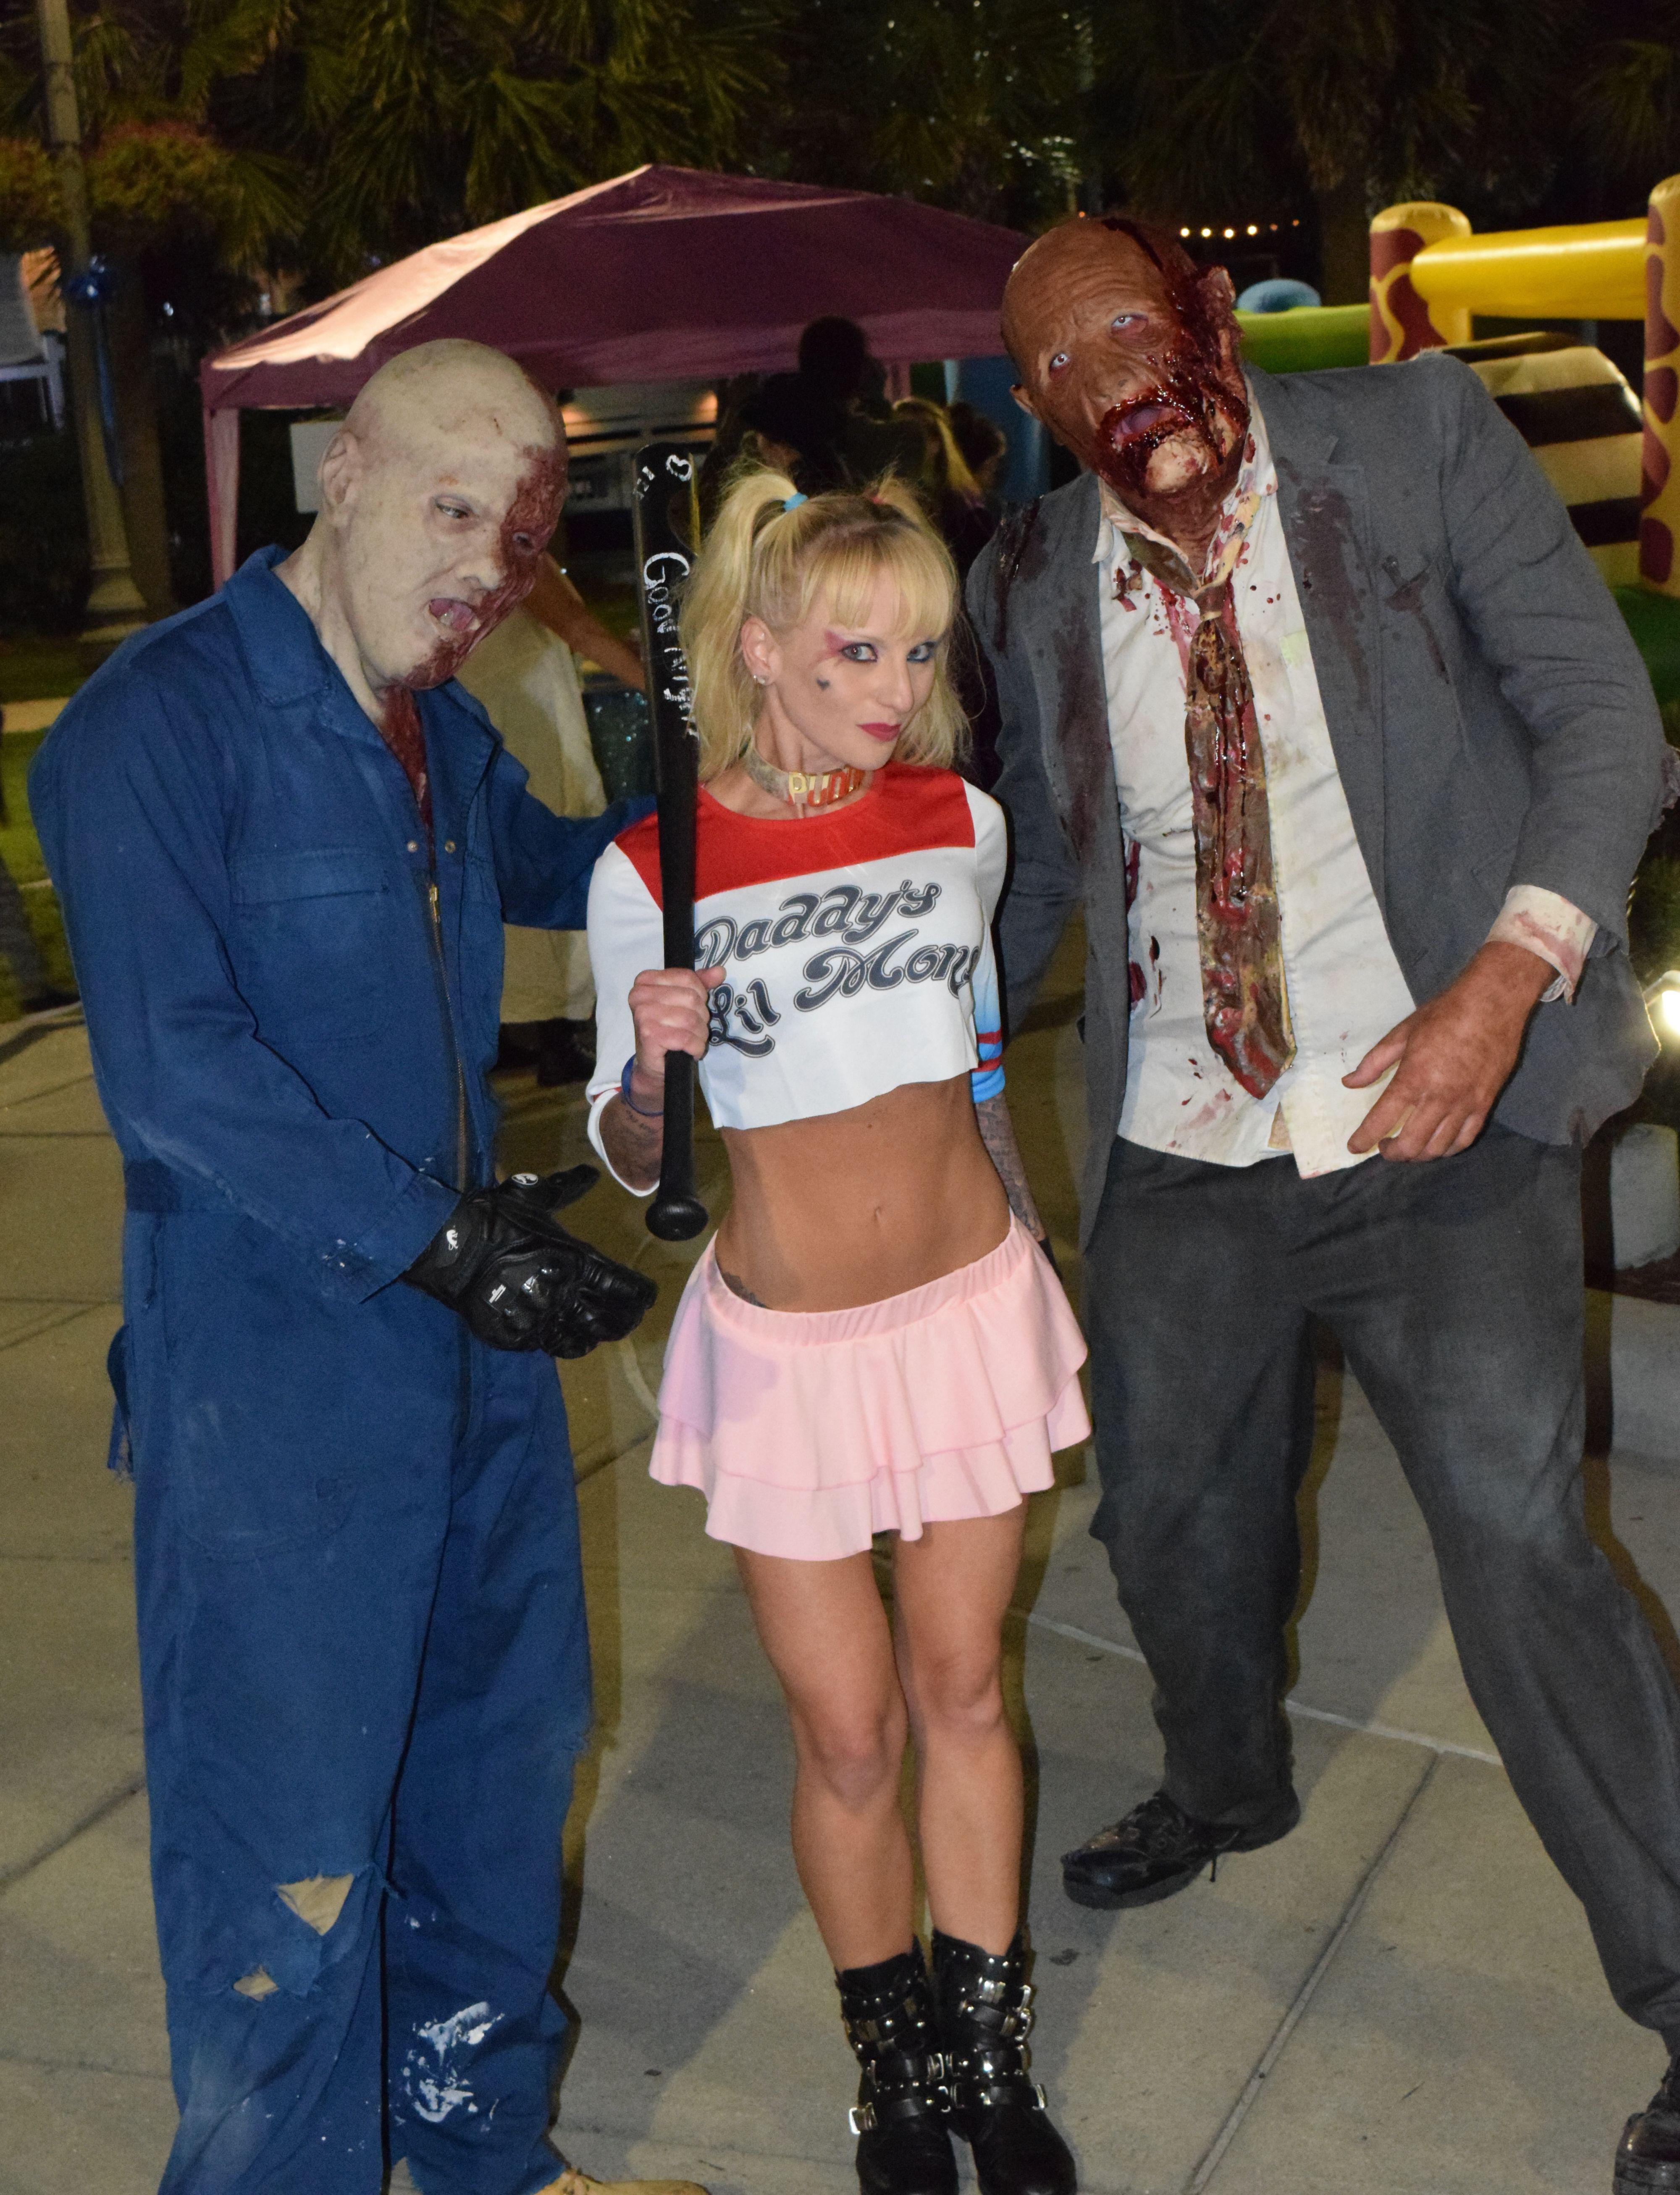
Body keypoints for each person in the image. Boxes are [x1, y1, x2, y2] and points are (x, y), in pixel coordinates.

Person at [967, 213, 1680, 2192]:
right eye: (1060, 362)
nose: (1112, 375)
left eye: (1129, 322)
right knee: (1166, 1518)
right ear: (1031, 404)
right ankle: (1225, 1783)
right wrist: (894, 1041)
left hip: (1435, 1110)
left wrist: (1500, 983)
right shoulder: (1029, 574)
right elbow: (1040, 873)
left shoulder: (1413, 440)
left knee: (1515, 1539)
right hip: (1187, 1140)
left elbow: (1602, 721)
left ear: (1200, 315)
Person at [30, 336, 707, 2195]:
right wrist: (444, 1240)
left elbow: (562, 871)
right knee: (292, 1843)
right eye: (450, 506)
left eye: (518, 532)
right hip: (276, 1377)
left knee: (493, 1776)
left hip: (469, 1357)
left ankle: (488, 2155)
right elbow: (175, 1071)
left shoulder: (440, 722)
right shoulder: (155, 727)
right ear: (340, 475)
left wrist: (700, 780)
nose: (484, 564)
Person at [585, 471, 1088, 2195]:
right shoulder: (647, 869)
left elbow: (979, 1061)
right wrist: (650, 1069)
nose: (895, 687)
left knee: (965, 1690)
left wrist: (1028, 1248)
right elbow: (634, 1152)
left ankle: (990, 2062)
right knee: (851, 1732)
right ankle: (894, 2073)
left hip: (963, 1312)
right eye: (856, 650)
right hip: (789, 1357)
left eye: (921, 650)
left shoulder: (961, 820)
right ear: (757, 647)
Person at [458, 554, 643, 1086]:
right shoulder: (511, 551)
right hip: (527, 729)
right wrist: (675, 699)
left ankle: (518, 1030)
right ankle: (558, 1034)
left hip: (499, 721)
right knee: (560, 866)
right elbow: (580, 629)